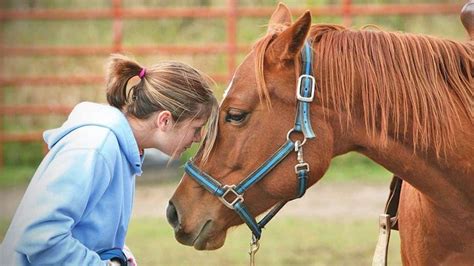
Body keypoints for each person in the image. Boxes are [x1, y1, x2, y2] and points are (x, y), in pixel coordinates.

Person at [0, 54, 218, 265]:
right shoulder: (96, 148)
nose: (199, 138)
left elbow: (87, 231)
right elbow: (39, 235)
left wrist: (120, 254)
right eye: (196, 128)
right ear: (164, 121)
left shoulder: (124, 152)